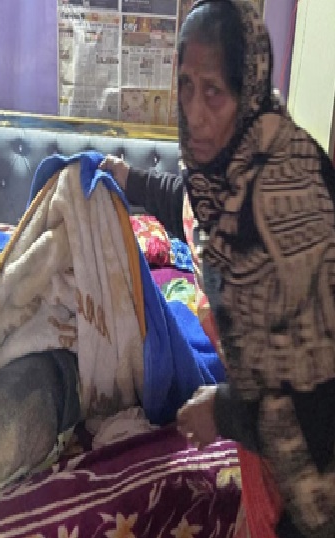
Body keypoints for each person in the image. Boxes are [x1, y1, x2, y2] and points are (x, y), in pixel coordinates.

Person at [106, 2, 335, 536]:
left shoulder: (289, 197)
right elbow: (189, 199)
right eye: (185, 86)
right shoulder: (234, 164)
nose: (195, 111)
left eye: (213, 90)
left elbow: (316, 391)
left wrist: (223, 412)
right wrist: (128, 178)